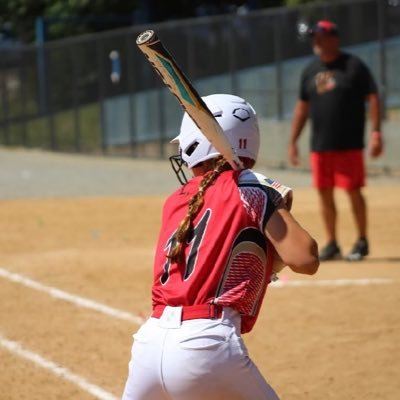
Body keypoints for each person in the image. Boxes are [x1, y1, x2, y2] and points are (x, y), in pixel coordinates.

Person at [122, 94, 319, 400]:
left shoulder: (176, 200)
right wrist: (271, 198)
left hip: (149, 343)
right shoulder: (252, 190)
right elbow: (306, 258)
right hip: (208, 346)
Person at [288, 20, 384, 261]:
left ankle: (362, 240)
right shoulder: (310, 70)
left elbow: (372, 98)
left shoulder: (353, 66)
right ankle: (332, 242)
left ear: (334, 38)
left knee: (353, 191)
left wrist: (376, 132)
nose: (316, 41)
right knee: (324, 194)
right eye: (314, 37)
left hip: (348, 144)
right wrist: (293, 141)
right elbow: (302, 107)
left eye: (320, 36)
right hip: (320, 145)